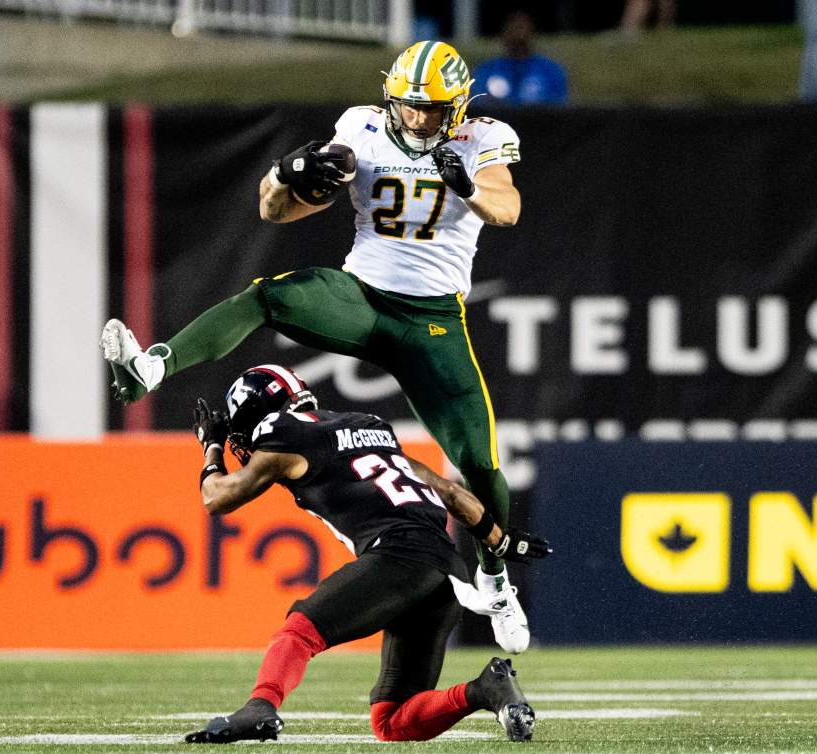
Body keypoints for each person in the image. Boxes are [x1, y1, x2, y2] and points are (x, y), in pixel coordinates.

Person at [100, 40, 533, 653]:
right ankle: (150, 367)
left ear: (458, 107)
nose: (415, 119)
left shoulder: (480, 139)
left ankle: (495, 581)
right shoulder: (359, 126)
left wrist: (468, 188)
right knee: (267, 295)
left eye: (430, 110)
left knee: (481, 459)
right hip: (361, 298)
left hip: (433, 321)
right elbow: (273, 211)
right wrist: (284, 174)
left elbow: (508, 208)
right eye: (407, 106)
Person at [183, 364, 550, 744]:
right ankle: (486, 689)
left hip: (399, 555)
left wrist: (211, 447)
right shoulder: (368, 425)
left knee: (299, 631)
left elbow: (217, 498)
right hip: (446, 569)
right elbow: (451, 493)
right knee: (392, 723)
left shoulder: (286, 434)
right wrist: (499, 540)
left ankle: (259, 706)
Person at [473, 11, 569, 106]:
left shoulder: (551, 71)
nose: (518, 35)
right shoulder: (486, 70)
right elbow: (478, 105)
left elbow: (558, 108)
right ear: (504, 35)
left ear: (532, 34)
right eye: (513, 30)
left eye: (522, 29)